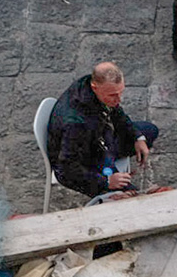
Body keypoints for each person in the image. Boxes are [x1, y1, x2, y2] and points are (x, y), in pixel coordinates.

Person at [47, 62, 160, 201]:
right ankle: (109, 178)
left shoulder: (92, 85)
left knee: (148, 131)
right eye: (113, 95)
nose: (119, 100)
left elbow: (116, 112)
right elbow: (68, 168)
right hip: (85, 161)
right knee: (130, 197)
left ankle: (112, 162)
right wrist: (106, 181)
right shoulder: (76, 124)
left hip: (98, 140)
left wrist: (137, 137)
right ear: (95, 87)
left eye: (121, 92)